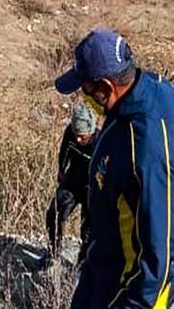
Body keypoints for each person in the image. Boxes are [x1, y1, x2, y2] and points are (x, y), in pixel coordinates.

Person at [55, 28, 174, 309]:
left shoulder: (148, 152)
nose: (85, 96)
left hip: (126, 291)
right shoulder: (156, 89)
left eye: (87, 90)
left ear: (106, 87)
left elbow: (156, 263)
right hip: (103, 263)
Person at [47, 104, 97, 263]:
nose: (78, 139)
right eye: (76, 135)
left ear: (91, 132)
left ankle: (83, 263)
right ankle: (53, 254)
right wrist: (61, 170)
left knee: (88, 230)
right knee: (53, 214)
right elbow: (64, 151)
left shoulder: (101, 142)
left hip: (92, 187)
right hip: (73, 180)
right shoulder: (70, 132)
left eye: (82, 136)